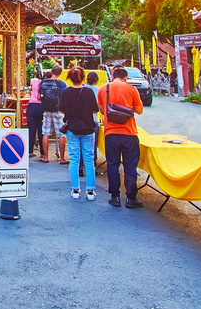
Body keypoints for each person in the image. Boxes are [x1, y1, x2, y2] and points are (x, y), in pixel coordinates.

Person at [98, 66, 144, 208]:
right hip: (129, 133)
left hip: (111, 133)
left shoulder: (102, 89)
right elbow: (139, 110)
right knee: (130, 166)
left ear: (112, 76)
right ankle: (131, 198)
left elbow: (102, 110)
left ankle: (115, 196)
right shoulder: (131, 89)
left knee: (112, 165)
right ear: (126, 77)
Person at [60, 67, 100, 200]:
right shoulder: (88, 92)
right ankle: (90, 191)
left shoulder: (65, 92)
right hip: (88, 129)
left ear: (69, 78)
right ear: (83, 77)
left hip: (72, 129)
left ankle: (75, 190)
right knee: (88, 160)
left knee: (74, 160)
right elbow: (95, 110)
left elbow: (61, 111)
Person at [38, 65, 68, 164]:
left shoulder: (44, 82)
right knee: (61, 134)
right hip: (58, 111)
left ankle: (46, 157)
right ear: (60, 73)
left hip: (47, 110)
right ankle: (62, 158)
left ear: (51, 71)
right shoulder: (62, 84)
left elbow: (38, 97)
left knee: (46, 133)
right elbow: (64, 98)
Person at [26, 69, 46, 161]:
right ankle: (43, 152)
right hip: (42, 106)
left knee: (31, 130)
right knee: (41, 131)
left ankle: (30, 151)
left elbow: (30, 87)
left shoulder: (34, 81)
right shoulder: (46, 85)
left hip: (32, 105)